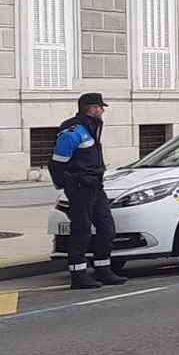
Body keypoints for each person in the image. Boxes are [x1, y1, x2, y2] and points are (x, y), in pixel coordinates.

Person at [48, 93, 127, 290]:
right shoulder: (73, 132)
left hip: (95, 187)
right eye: (101, 107)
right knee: (81, 230)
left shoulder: (91, 128)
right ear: (92, 109)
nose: (103, 111)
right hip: (82, 189)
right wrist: (71, 184)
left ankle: (103, 269)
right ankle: (78, 275)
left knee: (107, 228)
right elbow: (57, 165)